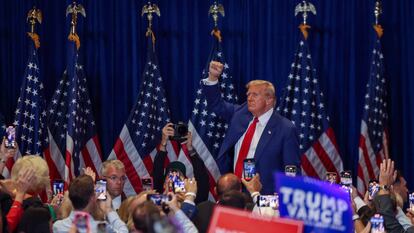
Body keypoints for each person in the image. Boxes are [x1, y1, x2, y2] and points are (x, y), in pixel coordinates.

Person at [203, 61, 301, 194]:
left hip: (264, 196)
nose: (249, 98)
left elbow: (291, 170)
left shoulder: (286, 129)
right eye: (248, 94)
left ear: (269, 100)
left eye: (255, 95)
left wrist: (281, 202)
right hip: (234, 193)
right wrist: (213, 78)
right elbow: (216, 105)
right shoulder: (240, 114)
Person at [53, 174, 128, 233]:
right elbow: (124, 231)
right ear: (92, 198)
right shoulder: (101, 228)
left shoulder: (58, 227)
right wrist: (109, 210)